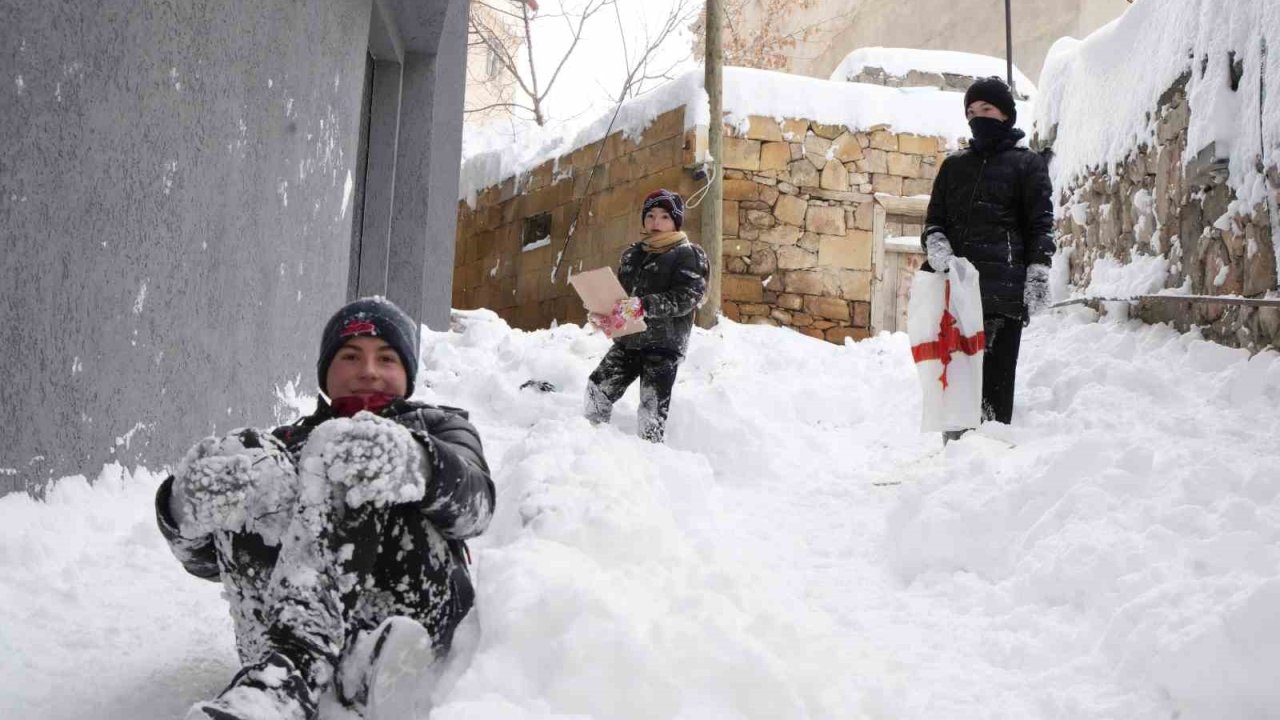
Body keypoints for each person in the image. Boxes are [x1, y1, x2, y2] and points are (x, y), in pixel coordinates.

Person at [156, 297, 495, 720]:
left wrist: (417, 463)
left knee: (352, 445)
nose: (368, 370)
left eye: (386, 358)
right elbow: (213, 564)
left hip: (409, 624)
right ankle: (293, 677)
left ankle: (307, 675)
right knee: (245, 453)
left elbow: (475, 509)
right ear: (325, 372)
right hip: (273, 638)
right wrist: (183, 511)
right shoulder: (283, 447)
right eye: (350, 356)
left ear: (407, 374)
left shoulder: (440, 426)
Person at [921, 76, 1055, 436]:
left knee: (994, 388)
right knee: (957, 387)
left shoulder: (1027, 165)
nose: (977, 116)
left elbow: (1041, 226)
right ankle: (956, 462)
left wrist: (1038, 272)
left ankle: (990, 463)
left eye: (986, 109)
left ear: (1006, 115)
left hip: (1002, 294)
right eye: (971, 111)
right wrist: (938, 249)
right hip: (957, 294)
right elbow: (934, 222)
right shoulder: (953, 167)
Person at [584, 189, 709, 443]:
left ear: (675, 221)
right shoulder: (632, 255)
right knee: (598, 388)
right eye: (650, 215)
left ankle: (650, 461)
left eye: (664, 217)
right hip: (629, 341)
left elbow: (686, 298)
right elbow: (621, 299)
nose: (655, 223)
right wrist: (605, 314)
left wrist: (644, 306)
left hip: (664, 345)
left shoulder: (689, 255)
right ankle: (592, 445)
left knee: (651, 410)